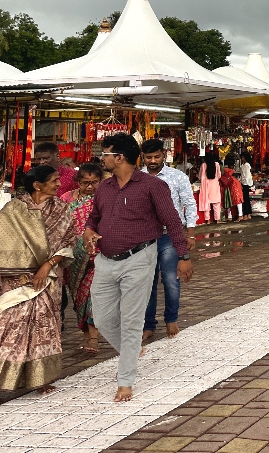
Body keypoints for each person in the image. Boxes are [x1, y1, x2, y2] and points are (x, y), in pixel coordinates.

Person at [82, 133, 192, 402]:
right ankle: (130, 349)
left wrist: (183, 255)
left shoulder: (153, 186)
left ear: (119, 157)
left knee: (132, 321)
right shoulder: (105, 188)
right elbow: (94, 218)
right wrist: (88, 232)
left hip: (140, 258)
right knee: (103, 317)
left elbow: (173, 222)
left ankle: (125, 381)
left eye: (105, 153)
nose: (102, 158)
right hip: (106, 259)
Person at [0, 166, 76, 392]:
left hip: (48, 279)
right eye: (53, 180)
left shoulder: (61, 209)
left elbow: (68, 243)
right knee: (8, 327)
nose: (59, 184)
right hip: (17, 281)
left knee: (43, 328)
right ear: (37, 185)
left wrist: (47, 265)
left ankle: (40, 379)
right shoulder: (13, 210)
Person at [140, 139, 198, 343]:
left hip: (169, 235)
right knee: (147, 282)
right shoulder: (137, 177)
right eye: (149, 157)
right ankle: (148, 325)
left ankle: (171, 319)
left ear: (164, 154)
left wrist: (190, 234)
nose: (153, 161)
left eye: (156, 156)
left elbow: (189, 204)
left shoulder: (177, 176)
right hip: (145, 237)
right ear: (143, 157)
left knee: (171, 279)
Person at [60, 162, 103, 353]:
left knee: (93, 294)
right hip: (73, 258)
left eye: (94, 182)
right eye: (86, 182)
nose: (90, 187)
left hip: (98, 254)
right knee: (79, 297)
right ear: (77, 181)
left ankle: (93, 338)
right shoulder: (65, 199)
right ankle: (85, 334)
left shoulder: (103, 199)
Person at [198, 150, 223, 223]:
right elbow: (219, 175)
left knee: (207, 203)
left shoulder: (203, 165)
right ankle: (217, 219)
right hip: (215, 185)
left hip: (206, 185)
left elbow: (200, 176)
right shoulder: (217, 164)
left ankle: (207, 220)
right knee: (216, 203)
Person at [221, 155, 245, 221]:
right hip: (230, 184)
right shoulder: (222, 169)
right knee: (229, 199)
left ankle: (240, 215)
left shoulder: (223, 169)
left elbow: (232, 171)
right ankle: (230, 216)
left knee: (236, 199)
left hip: (232, 184)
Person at [238, 152, 254, 220]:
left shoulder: (247, 165)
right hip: (244, 183)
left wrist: (244, 183)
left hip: (246, 184)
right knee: (246, 199)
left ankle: (247, 213)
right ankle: (247, 213)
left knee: (246, 199)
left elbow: (247, 176)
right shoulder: (243, 165)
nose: (242, 159)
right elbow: (242, 175)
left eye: (242, 157)